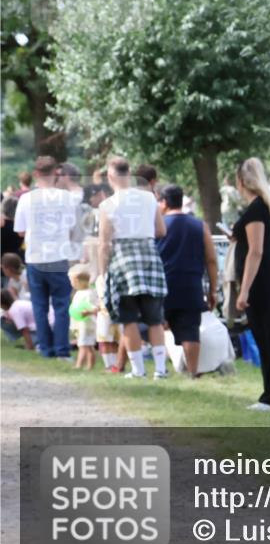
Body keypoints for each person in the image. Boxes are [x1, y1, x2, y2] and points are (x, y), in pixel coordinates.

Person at [97, 156, 169, 379]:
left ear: (110, 176)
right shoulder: (149, 198)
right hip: (149, 258)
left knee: (128, 319)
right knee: (154, 319)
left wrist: (101, 273)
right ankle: (160, 370)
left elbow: (104, 242)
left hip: (123, 260)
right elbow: (161, 231)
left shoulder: (108, 204)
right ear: (130, 173)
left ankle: (138, 370)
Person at [233, 157, 270, 412]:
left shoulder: (256, 209)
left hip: (262, 279)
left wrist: (244, 290)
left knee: (266, 335)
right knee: (267, 334)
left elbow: (255, 251)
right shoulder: (266, 207)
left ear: (241, 181)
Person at [13, 156, 78, 360]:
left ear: (36, 174)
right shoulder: (66, 197)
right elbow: (71, 227)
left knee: (39, 305)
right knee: (61, 305)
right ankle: (62, 349)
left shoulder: (26, 199)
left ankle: (45, 348)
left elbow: (20, 231)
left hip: (35, 256)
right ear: (56, 173)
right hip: (58, 255)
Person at [156, 184, 218, 377]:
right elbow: (211, 259)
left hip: (163, 284)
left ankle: (160, 369)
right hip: (191, 285)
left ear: (164, 202)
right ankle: (193, 372)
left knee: (157, 325)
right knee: (191, 330)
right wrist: (213, 289)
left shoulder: (158, 226)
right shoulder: (200, 226)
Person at [68, 266, 99, 370]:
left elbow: (96, 308)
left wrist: (88, 312)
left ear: (77, 281)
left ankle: (79, 365)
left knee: (83, 345)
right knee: (87, 345)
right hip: (80, 323)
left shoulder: (89, 293)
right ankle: (89, 366)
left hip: (87, 324)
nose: (71, 283)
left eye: (71, 281)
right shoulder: (79, 293)